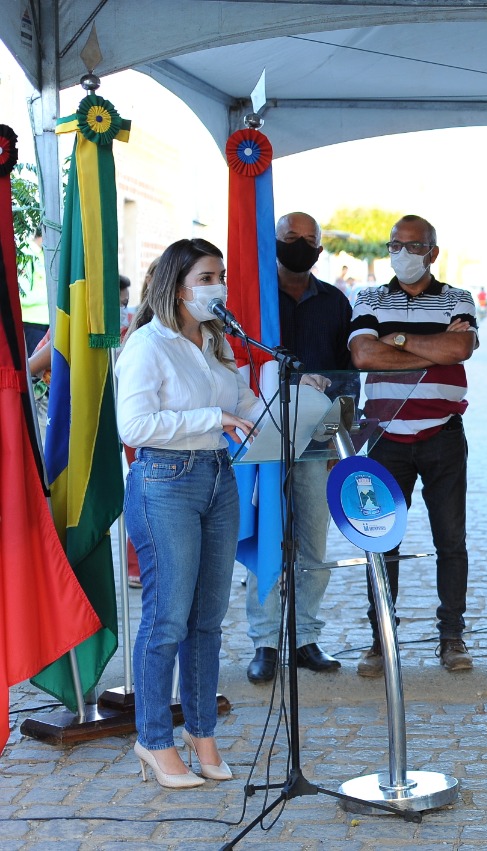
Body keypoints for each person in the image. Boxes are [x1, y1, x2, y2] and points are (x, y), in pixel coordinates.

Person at [116, 238, 264, 787]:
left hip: (218, 478)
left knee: (206, 619)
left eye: (220, 276)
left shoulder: (215, 341)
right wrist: (213, 417)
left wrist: (298, 398)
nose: (218, 286)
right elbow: (133, 428)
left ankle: (201, 734)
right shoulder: (148, 345)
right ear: (178, 286)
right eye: (207, 278)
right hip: (164, 482)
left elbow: (243, 403)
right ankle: (154, 739)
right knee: (167, 616)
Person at [348, 214, 478, 676]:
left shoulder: (457, 298)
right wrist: (430, 345)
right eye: (394, 245)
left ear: (433, 253)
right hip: (385, 440)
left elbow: (460, 350)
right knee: (381, 541)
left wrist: (397, 339)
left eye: (413, 246)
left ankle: (452, 637)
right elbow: (363, 355)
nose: (402, 254)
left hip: (443, 436)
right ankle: (381, 640)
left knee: (451, 541)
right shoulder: (368, 297)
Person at [244, 212, 353, 684]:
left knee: (314, 544)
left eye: (311, 240)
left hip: (315, 439)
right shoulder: (255, 298)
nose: (302, 245)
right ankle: (265, 643)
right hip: (264, 437)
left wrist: (339, 436)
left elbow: (348, 374)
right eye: (292, 238)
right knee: (269, 537)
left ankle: (306, 637)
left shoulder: (334, 302)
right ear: (274, 242)